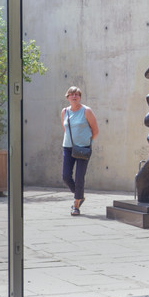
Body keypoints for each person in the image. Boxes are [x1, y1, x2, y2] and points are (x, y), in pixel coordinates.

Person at [61, 86, 99, 216]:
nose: (74, 96)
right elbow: (65, 129)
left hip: (83, 148)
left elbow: (95, 130)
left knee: (79, 177)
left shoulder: (86, 111)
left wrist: (87, 143)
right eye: (71, 94)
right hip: (68, 147)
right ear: (68, 97)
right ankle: (80, 195)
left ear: (80, 97)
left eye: (77, 94)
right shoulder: (64, 112)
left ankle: (76, 206)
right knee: (66, 176)